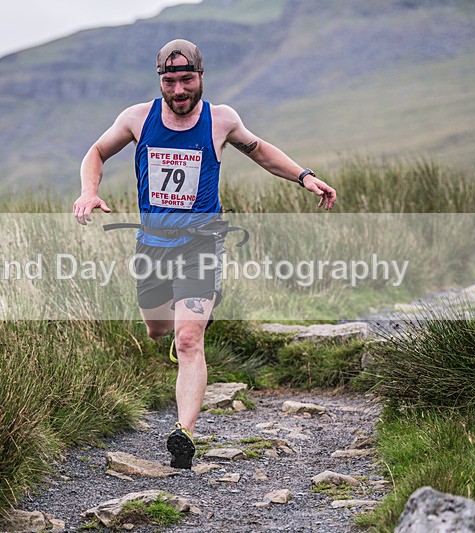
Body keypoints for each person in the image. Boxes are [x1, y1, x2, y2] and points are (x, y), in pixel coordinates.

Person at [73, 39, 336, 469]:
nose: (178, 90)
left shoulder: (221, 121)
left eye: (186, 80)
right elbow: (96, 152)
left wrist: (305, 177)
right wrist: (89, 191)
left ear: (200, 77)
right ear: (160, 80)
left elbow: (263, 152)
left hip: (202, 245)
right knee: (158, 331)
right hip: (152, 246)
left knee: (189, 338)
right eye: (169, 81)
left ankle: (184, 435)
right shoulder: (137, 118)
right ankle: (181, 330)